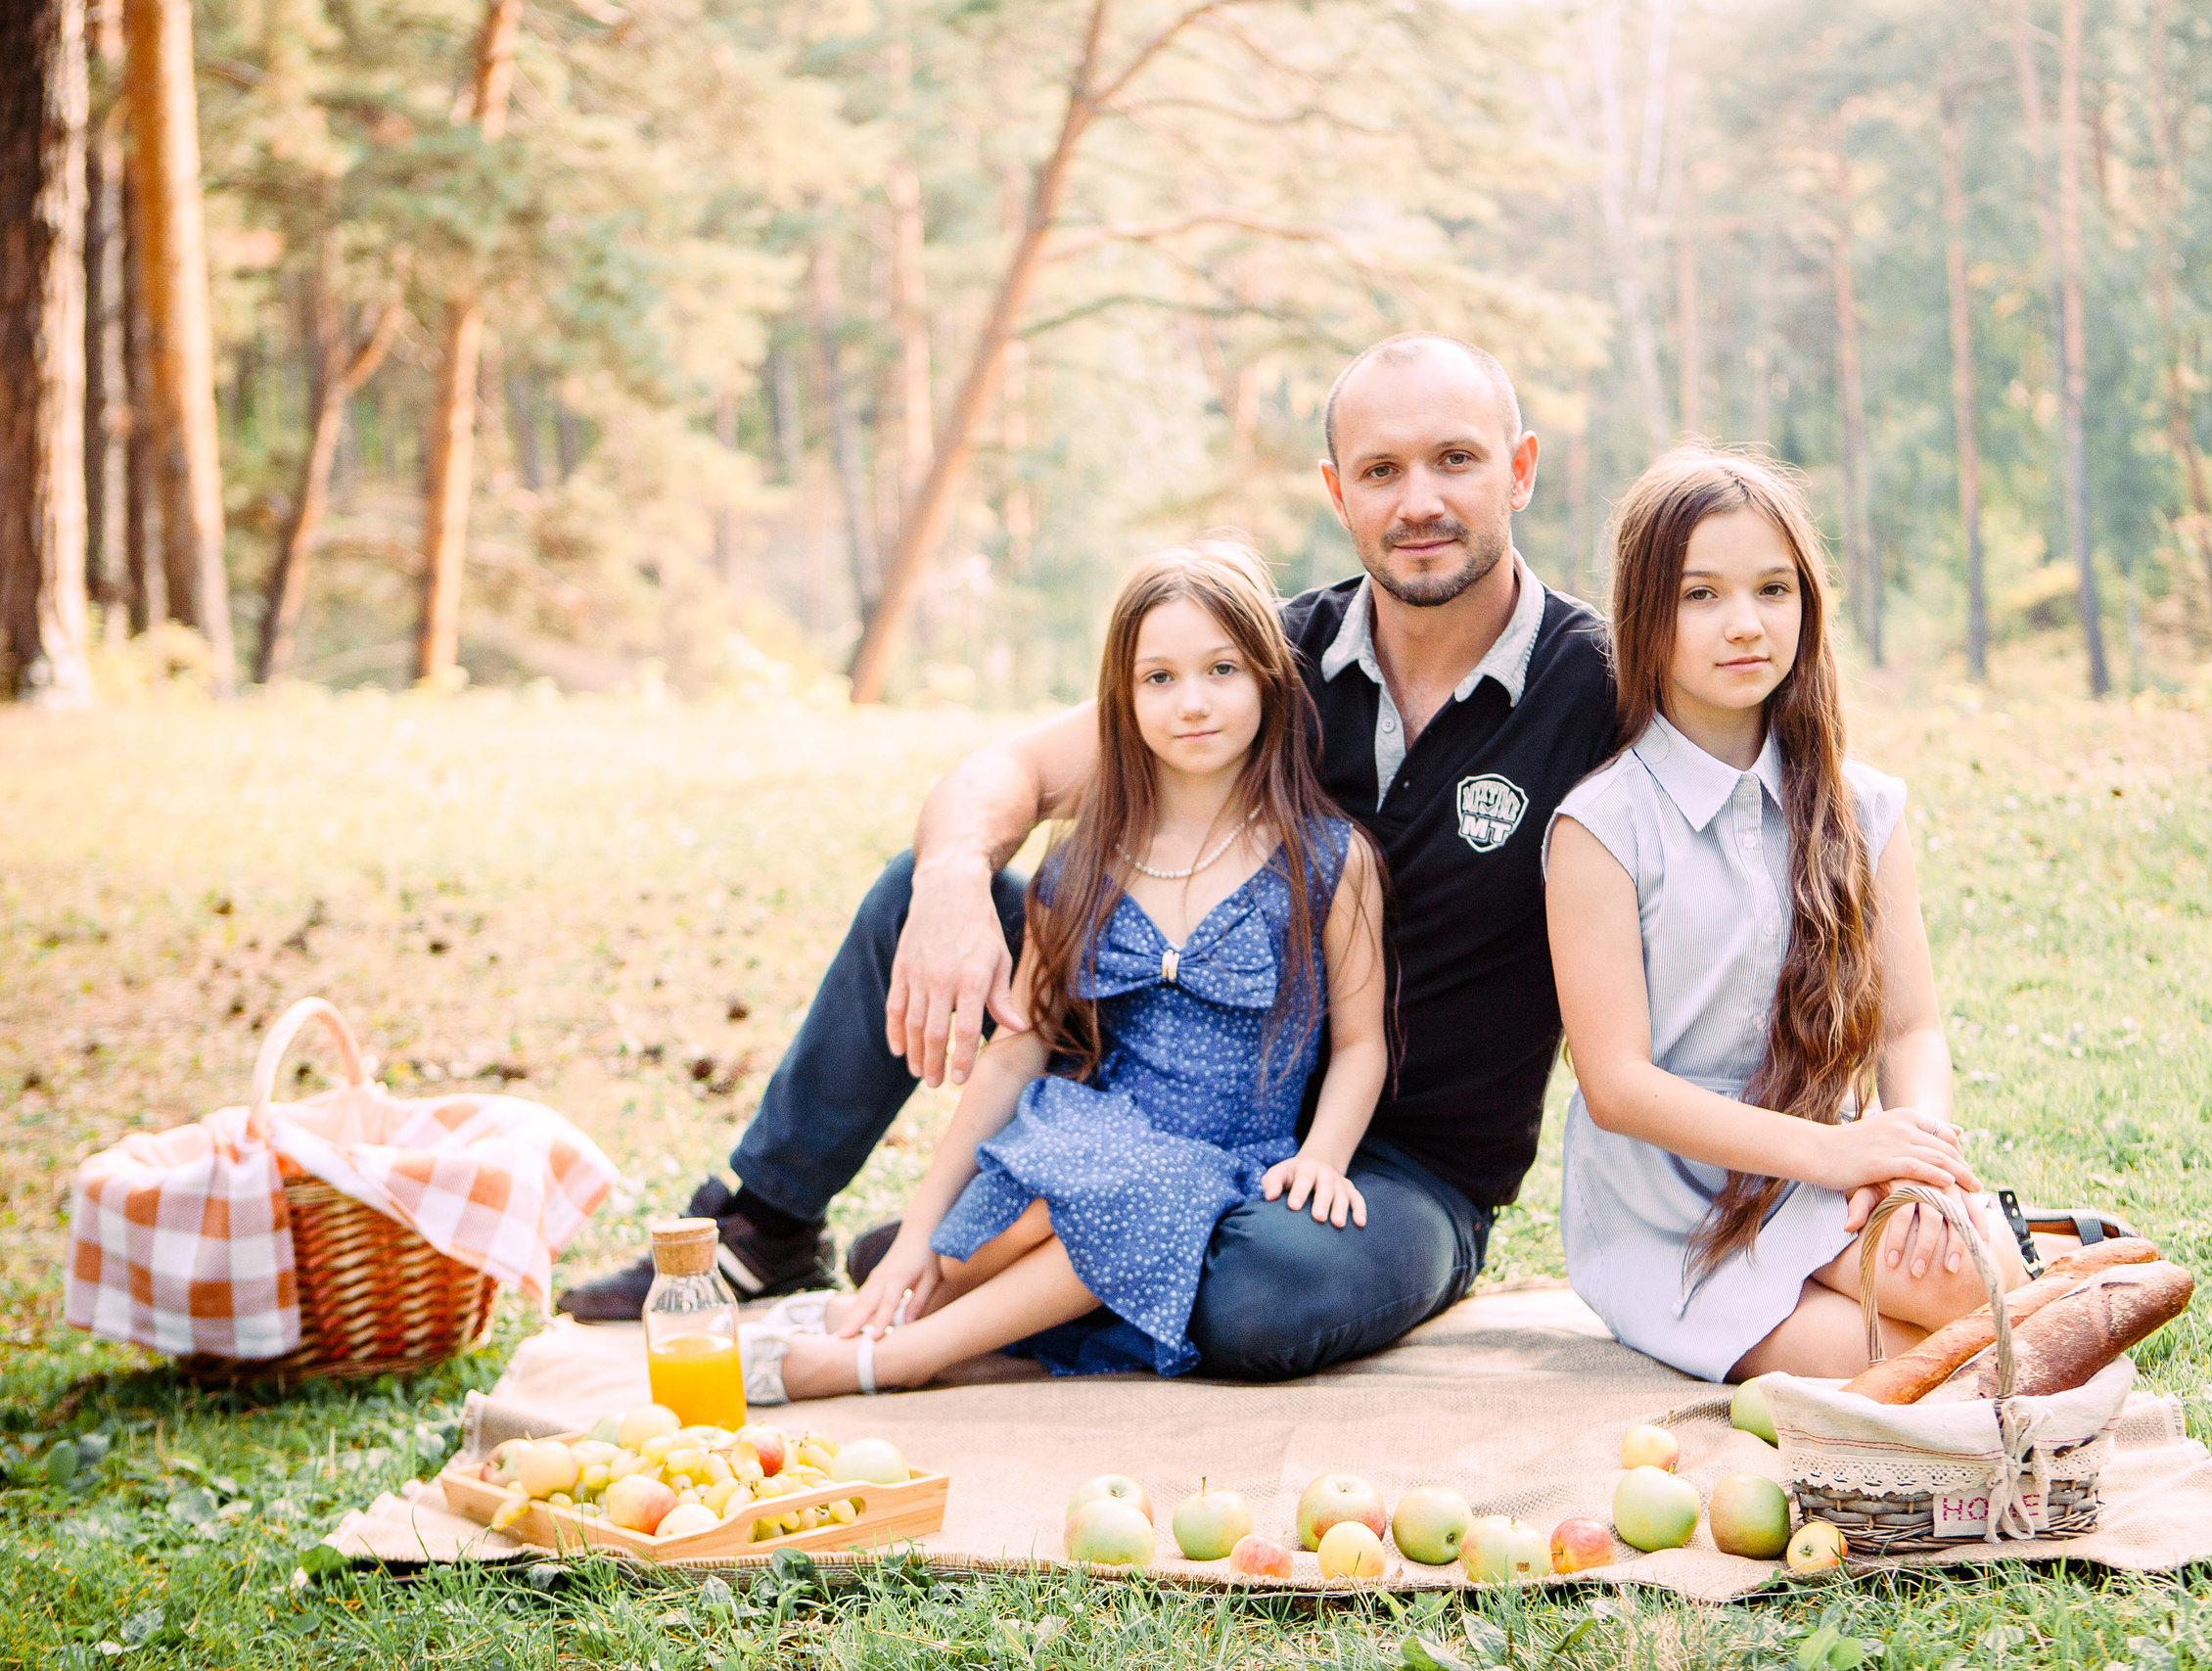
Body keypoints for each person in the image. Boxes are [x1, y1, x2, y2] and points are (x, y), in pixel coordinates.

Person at [559, 331, 1619, 1380]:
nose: (1418, 502)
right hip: (1161, 1083)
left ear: (1518, 470)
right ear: (1339, 495)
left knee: (1266, 1301)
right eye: (1382, 471)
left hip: (1387, 1165)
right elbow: (1006, 772)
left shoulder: (1603, 688)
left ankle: (994, 1259)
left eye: (1455, 460)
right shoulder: (1261, 657)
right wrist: (950, 884)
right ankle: (771, 1225)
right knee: (916, 893)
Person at [740, 540, 1386, 1398]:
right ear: (1120, 697)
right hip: (1083, 1137)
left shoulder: (1327, 862)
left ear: (1270, 679)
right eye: (1158, 678)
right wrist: (915, 1231)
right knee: (1055, 1176)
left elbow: (1360, 1043)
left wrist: (1325, 1156)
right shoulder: (1083, 862)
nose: (1191, 702)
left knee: (1141, 1191)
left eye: (1221, 669)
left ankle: (890, 1357)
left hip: (1216, 1161)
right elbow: (1014, 1050)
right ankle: (890, 1309)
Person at [1544, 447, 2077, 1383]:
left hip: (1826, 1169)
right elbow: (1616, 1086)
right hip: (1673, 1208)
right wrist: (1843, 1153)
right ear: (1644, 614)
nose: (1745, 624)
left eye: (1773, 588)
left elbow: (1911, 1028)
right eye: (1700, 594)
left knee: (1978, 1283)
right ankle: (2050, 1272)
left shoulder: (1861, 806)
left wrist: (1913, 1163)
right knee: (1933, 1363)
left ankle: (2025, 1256)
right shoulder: (1603, 826)